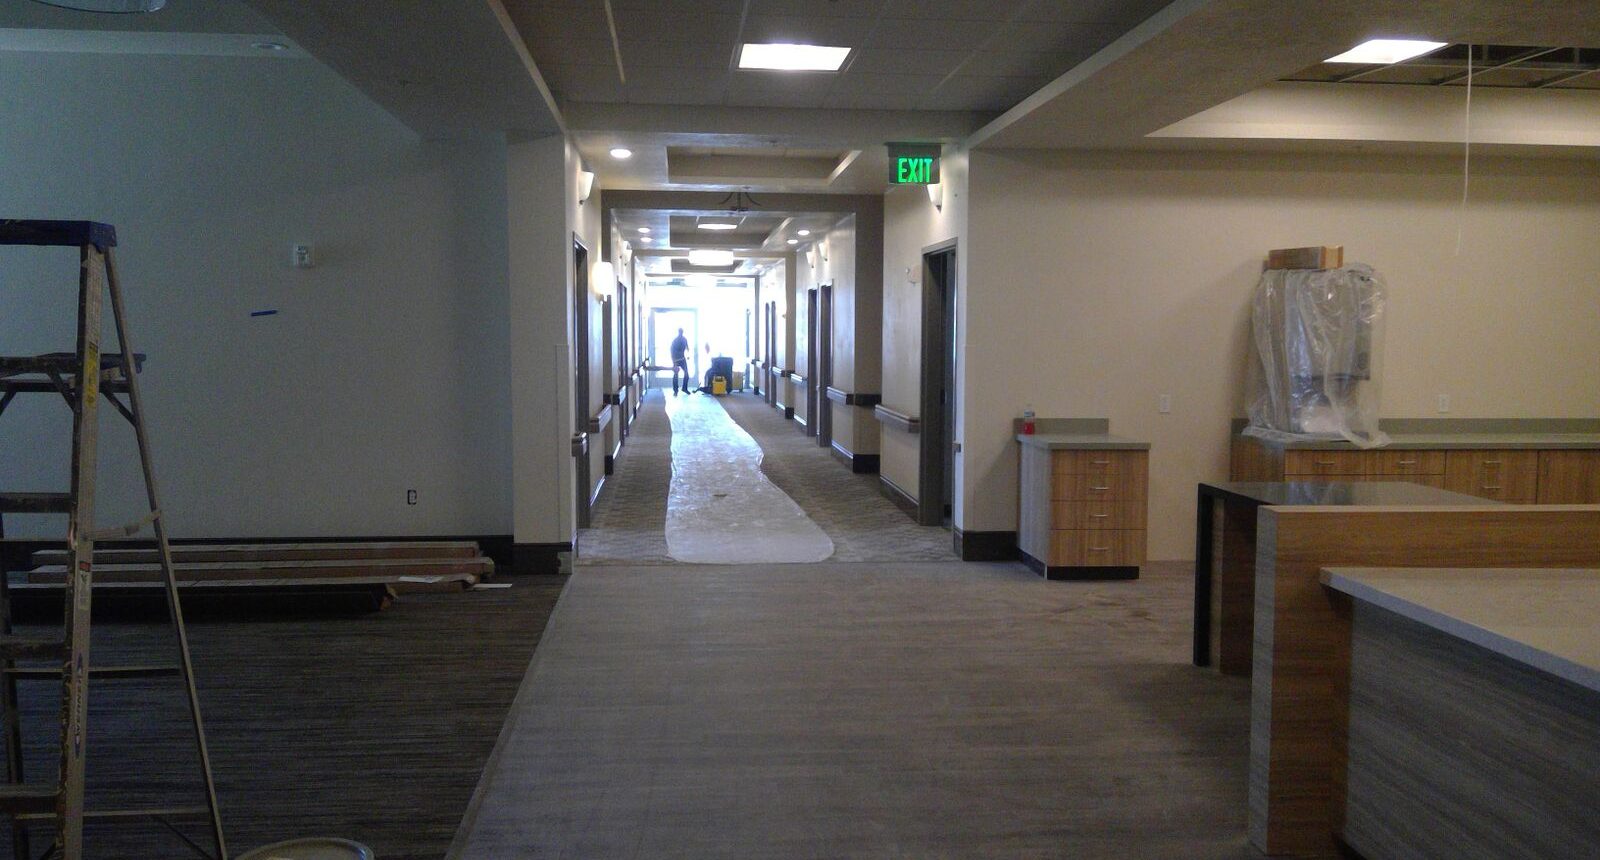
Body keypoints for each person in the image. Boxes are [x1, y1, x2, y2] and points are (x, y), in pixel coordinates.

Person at [670, 328, 690, 395]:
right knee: (676, 374)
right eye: (680, 332)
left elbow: (687, 348)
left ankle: (684, 388)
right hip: (676, 360)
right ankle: (675, 391)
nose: (681, 333)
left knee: (686, 374)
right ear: (678, 332)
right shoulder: (675, 341)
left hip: (682, 359)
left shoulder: (685, 339)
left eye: (682, 332)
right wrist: (674, 361)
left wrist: (688, 355)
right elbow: (671, 351)